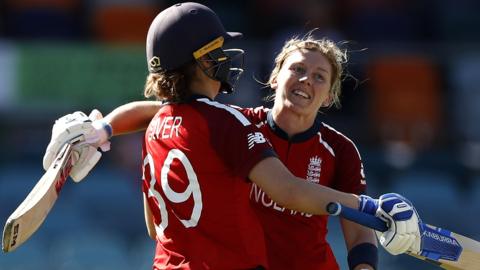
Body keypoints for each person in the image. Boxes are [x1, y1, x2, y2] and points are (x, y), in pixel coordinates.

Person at [42, 2, 422, 270]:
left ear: (330, 93)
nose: (307, 80)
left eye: (319, 76)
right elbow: (289, 191)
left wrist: (102, 129)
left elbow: (153, 223)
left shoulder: (169, 126)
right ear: (274, 77)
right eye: (297, 69)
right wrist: (373, 208)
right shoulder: (231, 123)